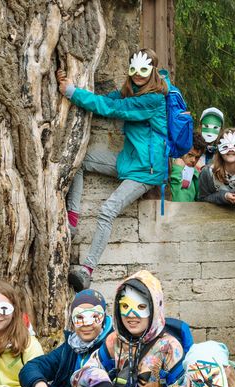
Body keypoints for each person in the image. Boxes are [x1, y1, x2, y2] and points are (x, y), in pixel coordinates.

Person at [60, 49, 170, 292]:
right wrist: (76, 88)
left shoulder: (153, 99)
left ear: (152, 71)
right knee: (80, 160)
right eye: (134, 70)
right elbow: (110, 100)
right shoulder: (133, 90)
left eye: (144, 71)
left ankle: (87, 270)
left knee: (107, 210)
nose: (138, 76)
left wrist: (72, 93)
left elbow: (112, 109)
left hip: (147, 170)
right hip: (129, 161)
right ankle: (73, 219)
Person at [197, 129, 235, 206]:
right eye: (225, 146)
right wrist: (224, 196)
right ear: (219, 149)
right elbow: (202, 199)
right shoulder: (207, 172)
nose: (231, 150)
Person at [168, 132, 205, 202]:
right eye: (190, 155)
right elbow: (174, 200)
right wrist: (177, 171)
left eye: (197, 157)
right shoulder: (168, 169)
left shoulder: (195, 174)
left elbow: (200, 200)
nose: (194, 160)